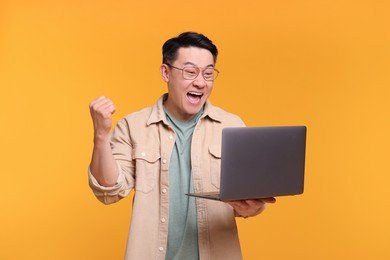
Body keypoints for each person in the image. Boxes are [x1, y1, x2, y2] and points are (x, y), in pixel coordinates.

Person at [88, 31, 276, 260]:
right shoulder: (133, 126)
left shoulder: (232, 126)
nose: (200, 82)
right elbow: (109, 190)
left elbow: (250, 199)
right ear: (166, 73)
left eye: (208, 74)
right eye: (190, 72)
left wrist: (252, 208)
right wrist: (100, 135)